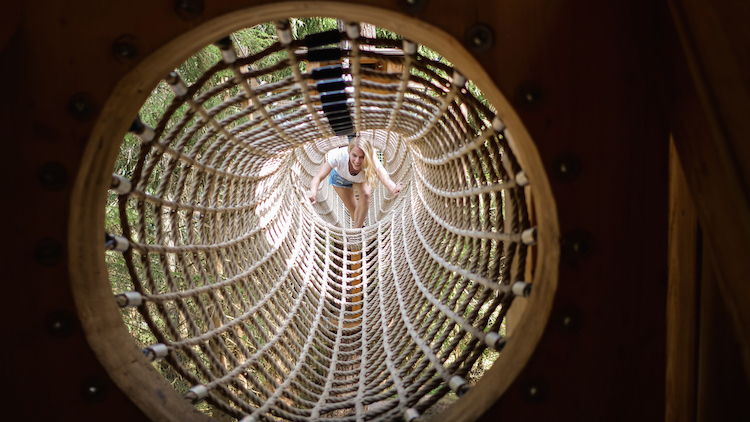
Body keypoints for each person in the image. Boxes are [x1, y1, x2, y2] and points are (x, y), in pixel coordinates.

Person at [308, 137, 402, 228]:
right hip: (340, 179)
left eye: (362, 157)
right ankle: (361, 229)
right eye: (354, 155)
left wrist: (394, 188)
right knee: (354, 212)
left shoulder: (372, 160)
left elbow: (385, 178)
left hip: (361, 180)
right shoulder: (339, 156)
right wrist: (313, 193)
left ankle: (356, 233)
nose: (357, 161)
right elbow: (318, 177)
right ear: (349, 152)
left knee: (365, 195)